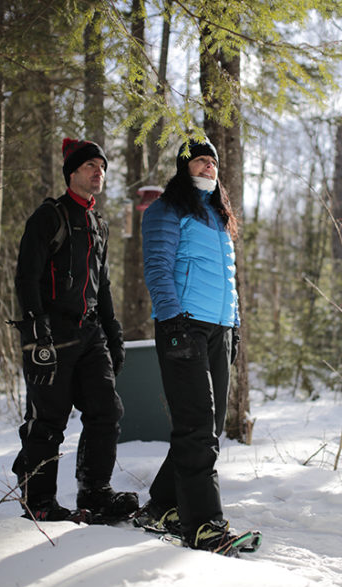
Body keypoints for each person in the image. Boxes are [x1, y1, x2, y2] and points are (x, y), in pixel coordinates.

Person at [11, 138, 138, 522]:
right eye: (89, 166)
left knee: (106, 411)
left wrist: (113, 333)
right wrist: (36, 329)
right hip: (52, 334)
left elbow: (104, 284)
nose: (98, 172)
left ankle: (95, 492)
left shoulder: (99, 223)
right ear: (72, 173)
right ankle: (40, 502)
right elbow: (26, 276)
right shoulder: (50, 216)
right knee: (48, 420)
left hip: (90, 333)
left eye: (102, 166)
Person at [134, 137, 244, 554]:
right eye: (199, 162)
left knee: (207, 427)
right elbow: (158, 268)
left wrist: (234, 328)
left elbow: (228, 280)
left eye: (212, 163)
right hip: (184, 327)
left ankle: (163, 505)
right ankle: (204, 525)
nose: (208, 169)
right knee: (197, 425)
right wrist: (174, 323)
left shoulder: (218, 217)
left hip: (218, 329)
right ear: (184, 168)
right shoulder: (166, 209)